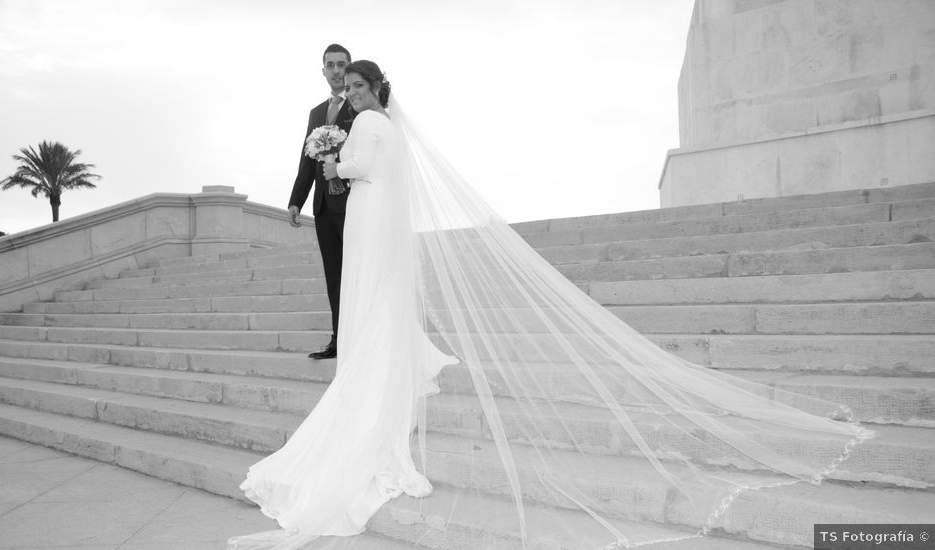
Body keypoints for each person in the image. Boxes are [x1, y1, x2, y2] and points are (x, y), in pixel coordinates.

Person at [231, 60, 872, 550]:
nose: (359, 93)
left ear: (376, 89)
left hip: (368, 220)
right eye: (355, 87)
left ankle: (372, 372)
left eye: (365, 86)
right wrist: (334, 158)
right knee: (374, 301)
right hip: (374, 227)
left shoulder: (367, 126)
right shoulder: (383, 124)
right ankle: (378, 359)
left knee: (368, 298)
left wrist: (333, 159)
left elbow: (361, 169)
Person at [287, 43, 354, 360]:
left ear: (349, 67)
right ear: (323, 70)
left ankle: (360, 337)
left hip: (354, 202)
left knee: (356, 272)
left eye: (342, 65)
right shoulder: (316, 112)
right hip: (323, 207)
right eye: (331, 65)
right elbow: (307, 161)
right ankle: (338, 339)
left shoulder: (360, 106)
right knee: (333, 275)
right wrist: (296, 200)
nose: (337, 71)